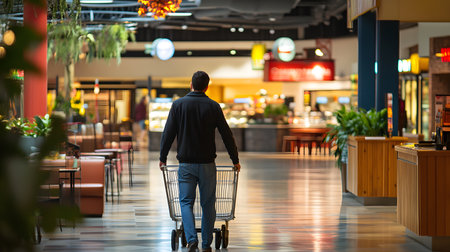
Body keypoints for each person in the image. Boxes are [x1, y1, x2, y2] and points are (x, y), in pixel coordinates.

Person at [159, 71, 240, 252]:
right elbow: (226, 134)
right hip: (207, 164)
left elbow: (168, 133)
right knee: (208, 203)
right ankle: (206, 245)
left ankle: (191, 239)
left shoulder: (178, 105)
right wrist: (235, 159)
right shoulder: (213, 106)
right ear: (207, 86)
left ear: (191, 85)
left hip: (186, 164)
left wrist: (162, 157)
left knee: (186, 202)